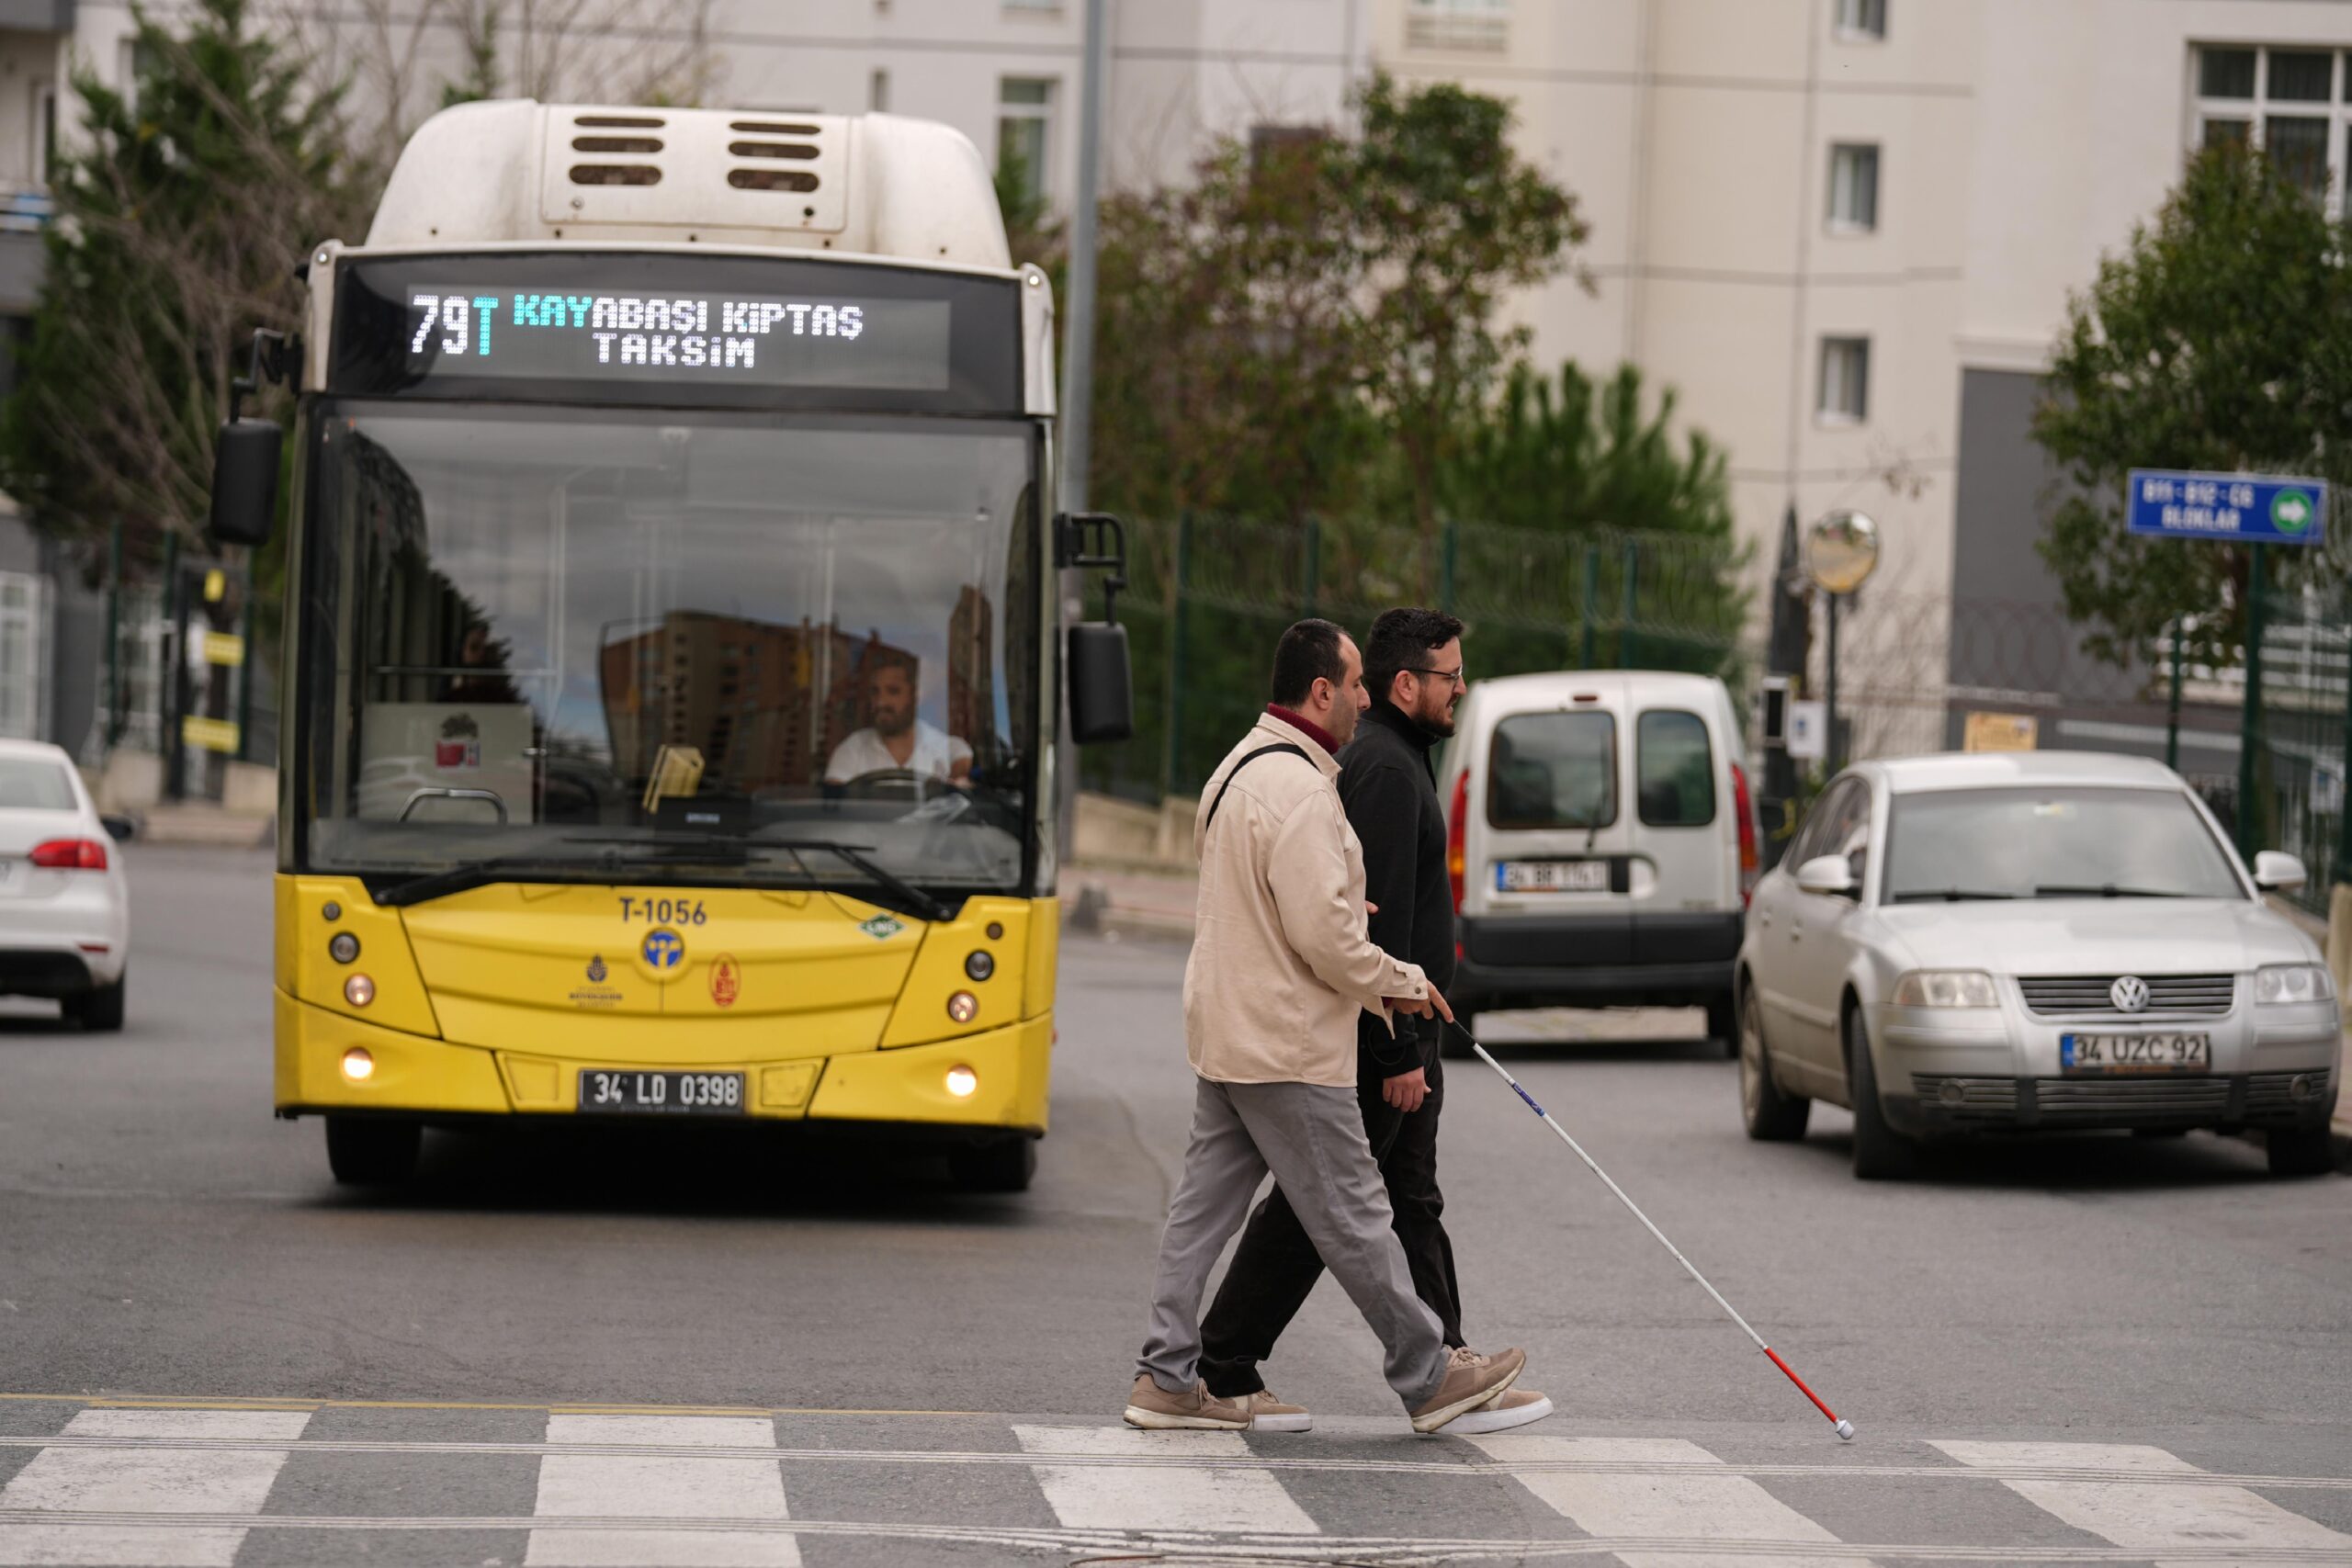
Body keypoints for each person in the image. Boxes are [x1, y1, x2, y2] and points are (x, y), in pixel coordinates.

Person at [1125, 617, 1527, 1434]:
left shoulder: (1234, 768)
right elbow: (1327, 943)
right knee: (1356, 1216)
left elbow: (1268, 901)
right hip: (1289, 1042)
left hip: (1227, 1032)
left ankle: (1168, 1374)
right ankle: (1428, 1374)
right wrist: (1403, 981)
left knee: (1199, 1214)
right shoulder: (1306, 789)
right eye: (1353, 686)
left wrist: (1339, 910)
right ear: (1321, 691)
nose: (1362, 698)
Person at [823, 656, 971, 786]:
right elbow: (834, 802)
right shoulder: (853, 749)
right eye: (875, 692)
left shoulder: (941, 746)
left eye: (893, 691)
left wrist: (956, 779)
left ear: (914, 696)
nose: (881, 702)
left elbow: (961, 757)